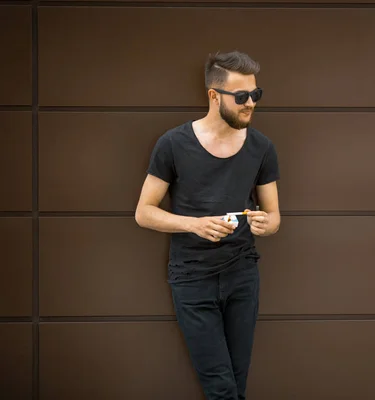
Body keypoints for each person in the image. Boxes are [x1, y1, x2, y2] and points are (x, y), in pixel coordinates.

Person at [134, 50, 280, 400]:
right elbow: (144, 212)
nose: (250, 104)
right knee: (221, 388)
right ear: (214, 96)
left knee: (236, 383)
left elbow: (274, 215)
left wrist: (265, 223)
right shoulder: (173, 144)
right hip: (192, 277)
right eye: (241, 97)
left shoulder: (262, 148)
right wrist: (194, 225)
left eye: (255, 95)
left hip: (243, 275)